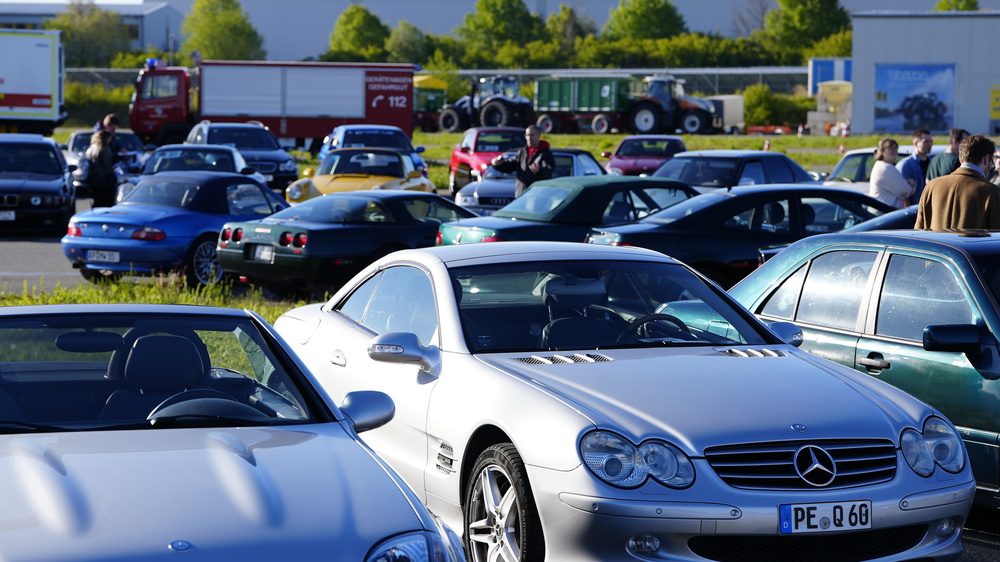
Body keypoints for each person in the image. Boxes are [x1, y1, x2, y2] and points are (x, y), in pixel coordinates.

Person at [915, 134, 1000, 230]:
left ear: (960, 158)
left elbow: (918, 230)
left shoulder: (931, 186)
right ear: (986, 159)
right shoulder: (992, 192)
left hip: (934, 244)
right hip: (968, 245)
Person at [491, 125, 555, 197]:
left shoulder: (545, 153)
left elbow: (549, 171)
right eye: (527, 135)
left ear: (539, 136)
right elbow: (511, 166)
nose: (529, 138)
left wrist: (539, 170)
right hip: (521, 195)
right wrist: (498, 164)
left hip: (537, 195)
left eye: (532, 135)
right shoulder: (522, 152)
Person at [868, 138, 913, 209]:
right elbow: (905, 190)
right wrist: (911, 185)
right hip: (882, 211)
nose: (895, 151)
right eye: (890, 148)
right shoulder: (885, 167)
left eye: (896, 148)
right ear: (882, 151)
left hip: (882, 209)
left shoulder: (882, 165)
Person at [895, 129, 933, 204]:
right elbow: (903, 194)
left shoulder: (932, 163)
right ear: (916, 143)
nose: (929, 144)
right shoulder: (905, 165)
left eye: (931, 141)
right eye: (925, 142)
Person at [86, 129, 117, 208]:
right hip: (103, 180)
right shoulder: (104, 148)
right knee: (106, 202)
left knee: (97, 201)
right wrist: (112, 176)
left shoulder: (91, 148)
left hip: (94, 179)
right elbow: (107, 165)